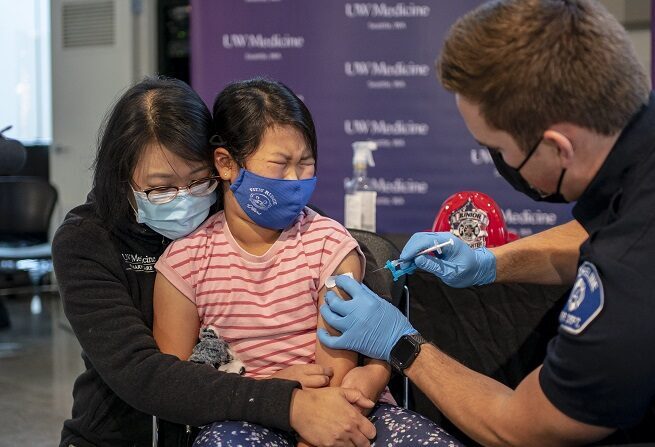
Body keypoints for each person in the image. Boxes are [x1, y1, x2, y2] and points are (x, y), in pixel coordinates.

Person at [318, 0, 655, 445]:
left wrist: (402, 344)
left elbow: (521, 425)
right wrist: (488, 262)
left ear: (558, 148)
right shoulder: (636, 154)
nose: (497, 163)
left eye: (496, 149)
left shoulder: (630, 278)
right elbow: (596, 230)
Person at [52, 76, 378, 447]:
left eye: (199, 182)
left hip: (247, 419)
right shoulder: (87, 239)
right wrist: (285, 399)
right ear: (121, 178)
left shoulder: (240, 207)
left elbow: (326, 245)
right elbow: (144, 374)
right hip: (121, 432)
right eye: (160, 188)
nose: (184, 199)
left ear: (221, 166)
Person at [152, 78, 464, 447]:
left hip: (344, 408)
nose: (296, 180)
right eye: (281, 164)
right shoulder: (186, 262)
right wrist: (274, 389)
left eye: (306, 164)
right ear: (227, 164)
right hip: (239, 417)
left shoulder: (328, 245)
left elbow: (335, 372)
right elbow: (177, 386)